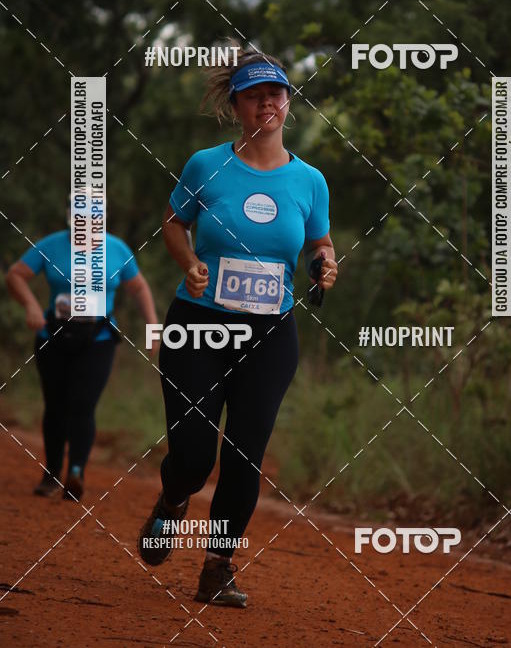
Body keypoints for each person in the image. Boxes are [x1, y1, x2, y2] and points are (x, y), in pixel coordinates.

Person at [138, 47, 338, 608]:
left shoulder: (309, 180)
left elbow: (319, 242)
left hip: (271, 335)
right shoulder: (206, 165)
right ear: (237, 106)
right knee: (196, 454)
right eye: (254, 96)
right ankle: (174, 498)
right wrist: (190, 265)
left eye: (275, 93)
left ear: (288, 102)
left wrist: (326, 263)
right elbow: (174, 223)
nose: (266, 103)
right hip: (199, 326)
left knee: (245, 454)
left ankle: (217, 568)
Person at [6, 203, 158, 501]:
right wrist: (31, 306)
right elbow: (16, 275)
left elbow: (138, 288)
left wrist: (153, 327)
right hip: (53, 335)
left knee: (83, 403)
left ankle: (76, 472)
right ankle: (51, 474)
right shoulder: (51, 245)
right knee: (56, 404)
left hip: (98, 338)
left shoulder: (116, 249)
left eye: (92, 220)